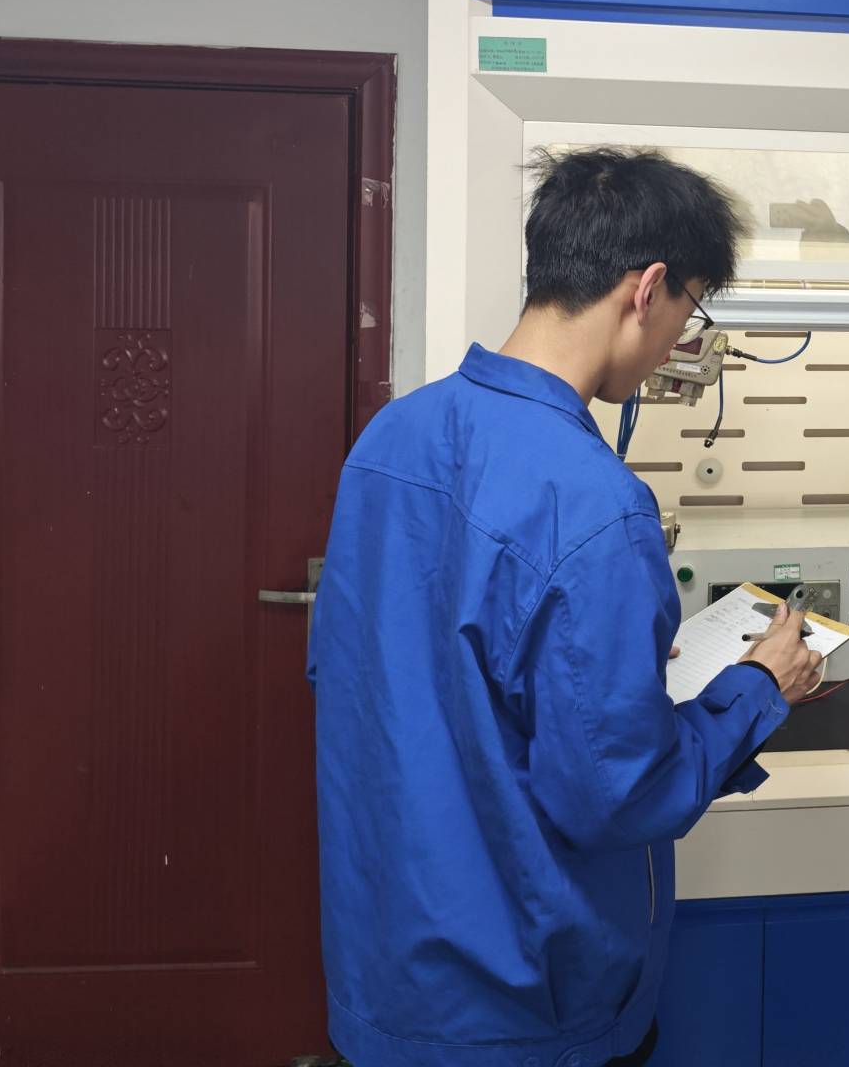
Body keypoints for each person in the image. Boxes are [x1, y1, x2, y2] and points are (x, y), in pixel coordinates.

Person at [309, 148, 821, 1067]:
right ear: (648, 288)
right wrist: (757, 689)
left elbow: (384, 673)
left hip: (385, 981)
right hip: (527, 1013)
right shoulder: (595, 505)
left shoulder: (391, 437)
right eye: (691, 313)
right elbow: (619, 796)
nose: (677, 344)